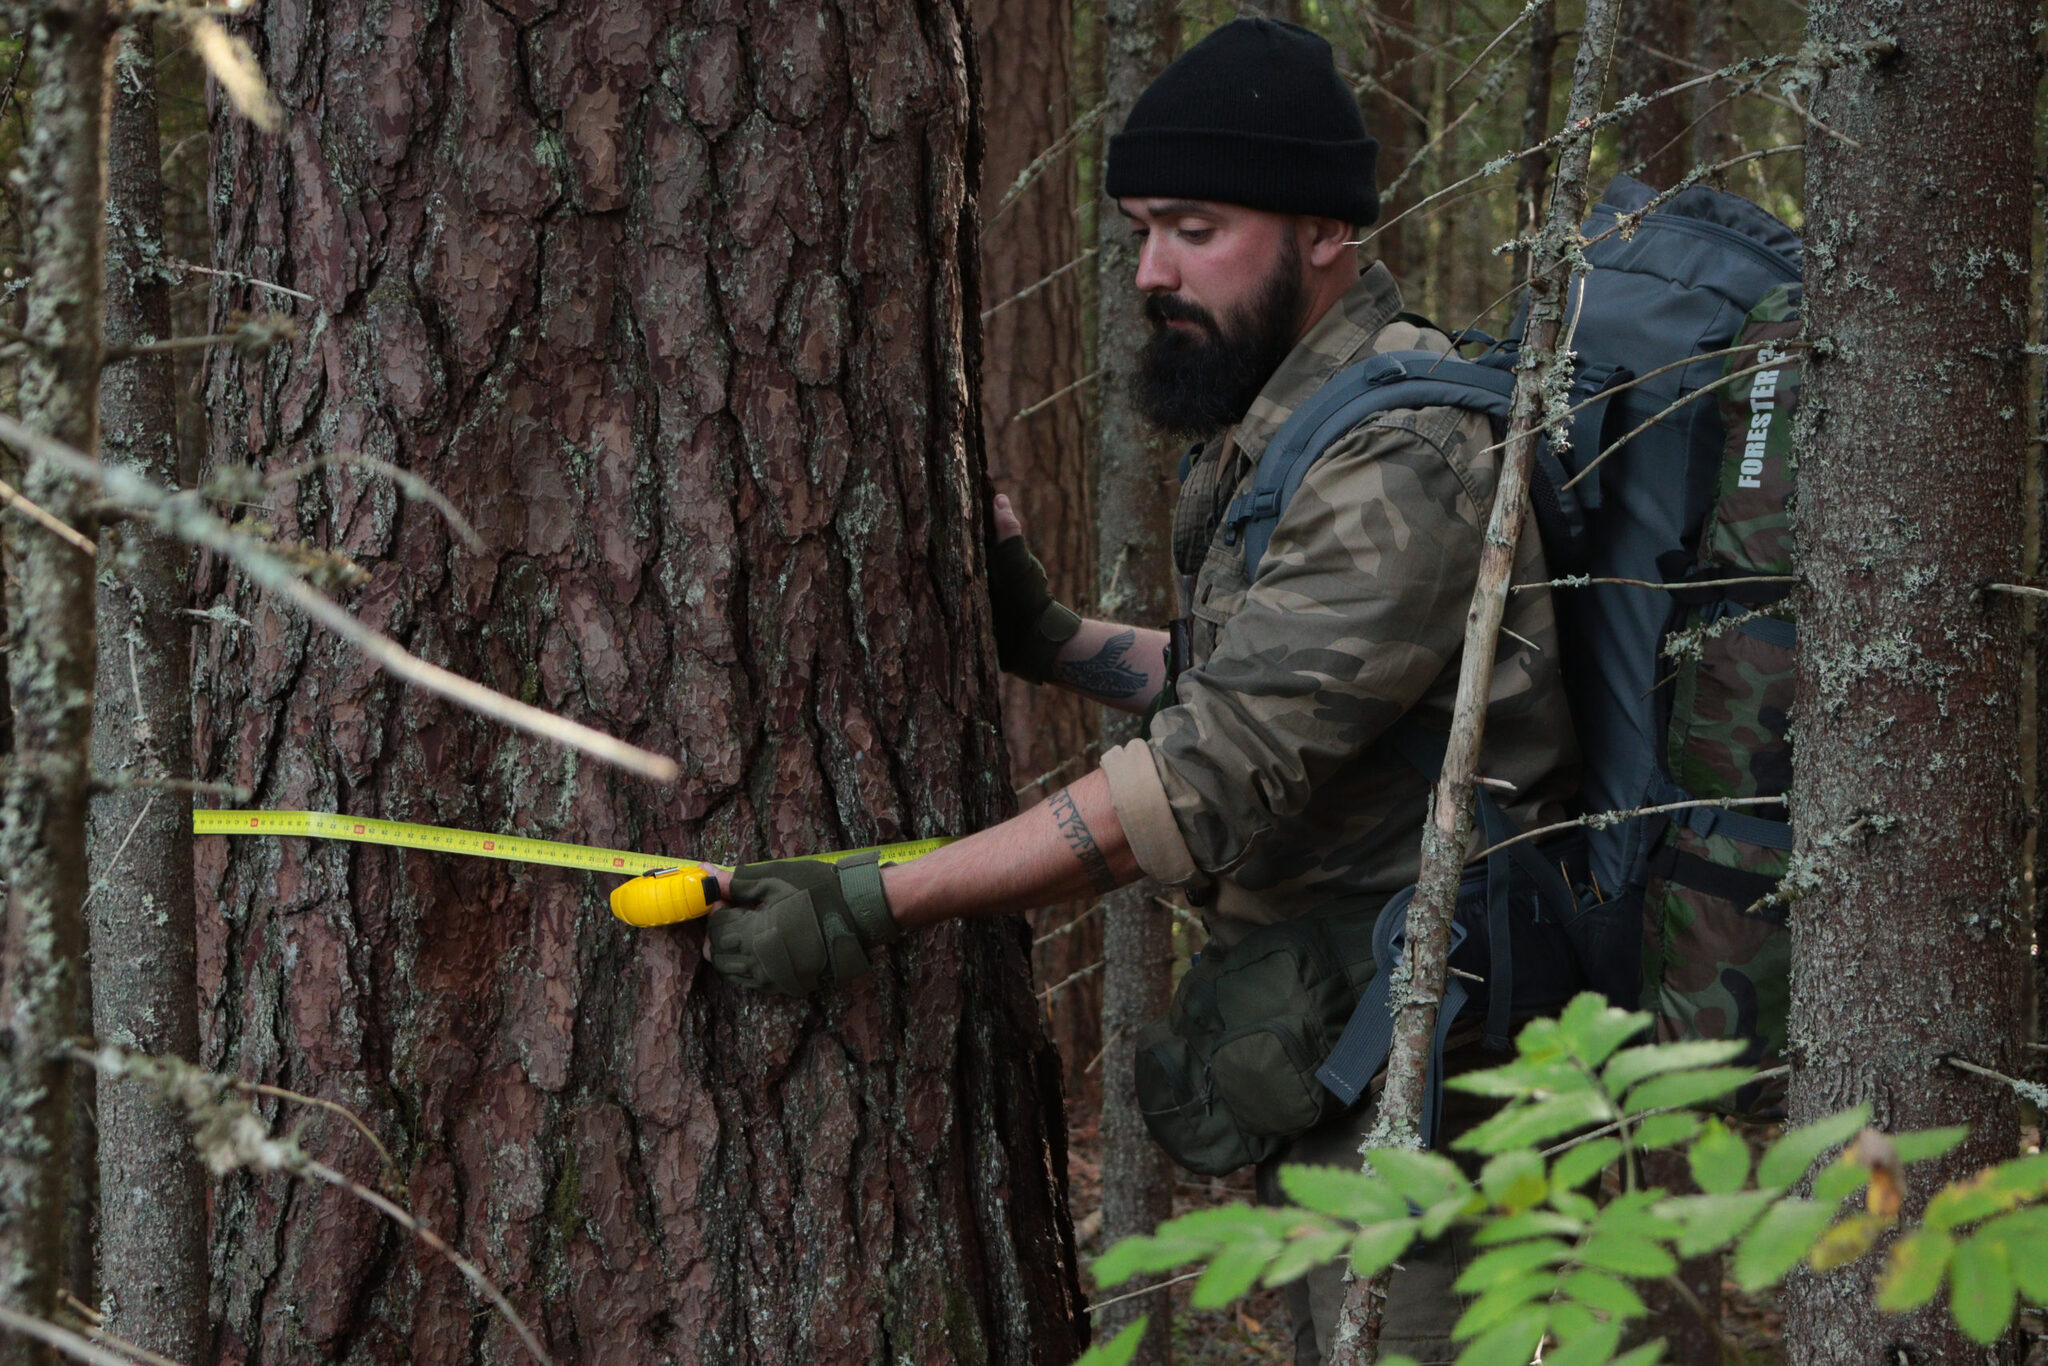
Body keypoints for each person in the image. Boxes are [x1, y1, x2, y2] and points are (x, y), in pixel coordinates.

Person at [699, 18, 1580, 1364]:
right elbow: (1276, 681)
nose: (1151, 272)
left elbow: (1191, 786)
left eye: (1194, 227)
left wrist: (875, 896)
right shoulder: (1295, 422)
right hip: (1353, 1053)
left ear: (1326, 230)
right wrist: (1054, 636)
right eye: (1138, 234)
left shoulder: (1402, 459)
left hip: (1453, 1102)